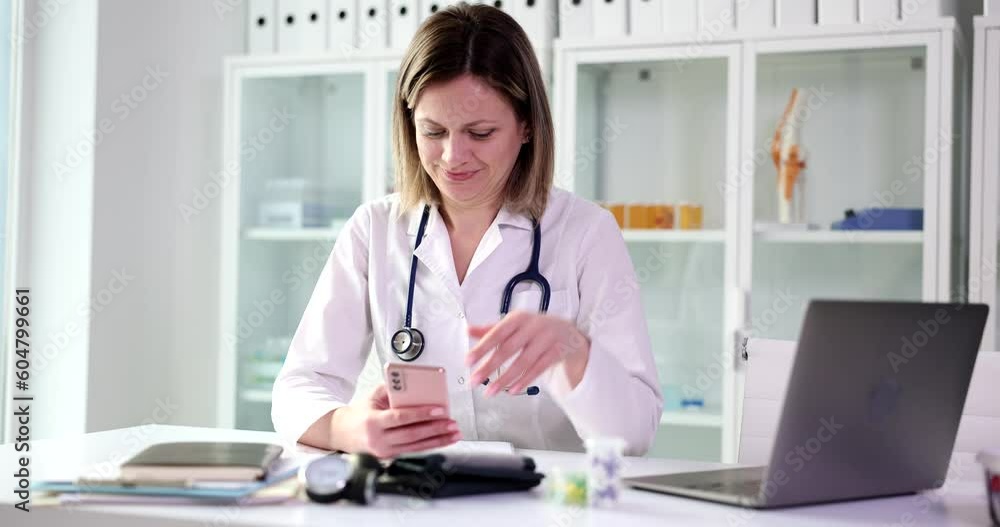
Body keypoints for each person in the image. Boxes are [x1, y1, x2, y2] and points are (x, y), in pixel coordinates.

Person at [271, 3, 662, 458]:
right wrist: (347, 429)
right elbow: (299, 386)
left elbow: (634, 434)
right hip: (417, 500)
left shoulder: (586, 233)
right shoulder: (374, 230)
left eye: (480, 133)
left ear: (527, 126)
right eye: (433, 131)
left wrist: (574, 352)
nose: (453, 157)